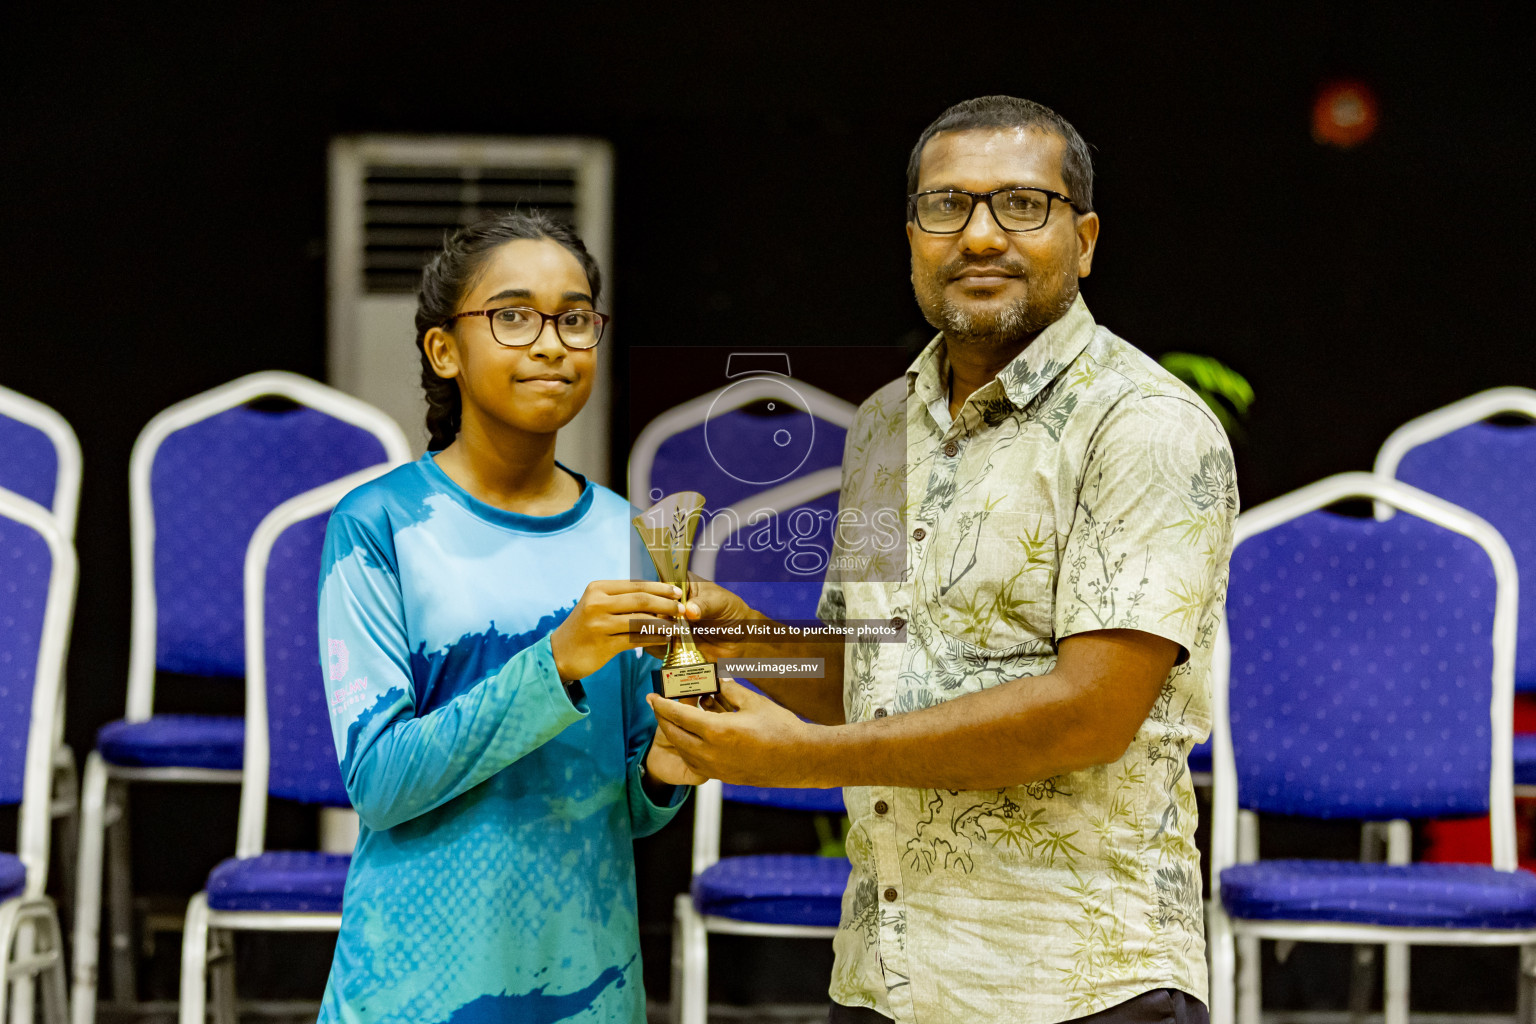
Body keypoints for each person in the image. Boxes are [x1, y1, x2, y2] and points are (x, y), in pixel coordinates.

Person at [650, 96, 1239, 1024]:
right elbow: (873, 669)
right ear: (912, 234)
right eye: (946, 206)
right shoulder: (886, 425)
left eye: (1020, 206)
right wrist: (746, 644)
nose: (979, 235)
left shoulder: (1145, 426)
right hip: (886, 975)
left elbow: (1092, 711)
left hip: (1079, 982)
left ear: (1083, 239)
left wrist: (805, 761)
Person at [316, 210, 700, 1023]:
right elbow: (380, 784)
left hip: (588, 982)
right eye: (514, 316)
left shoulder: (626, 534)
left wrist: (674, 754)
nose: (553, 343)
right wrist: (554, 661)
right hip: (416, 989)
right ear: (444, 350)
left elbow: (630, 810)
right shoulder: (378, 526)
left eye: (575, 317)